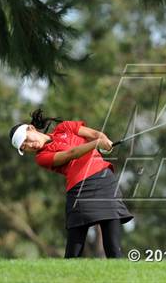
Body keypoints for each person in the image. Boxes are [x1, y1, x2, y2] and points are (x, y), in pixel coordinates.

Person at [8, 109, 134, 258]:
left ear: (32, 128)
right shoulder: (42, 157)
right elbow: (71, 154)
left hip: (104, 179)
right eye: (25, 147)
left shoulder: (64, 127)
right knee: (73, 251)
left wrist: (104, 142)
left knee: (113, 246)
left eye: (27, 139)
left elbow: (95, 134)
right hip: (79, 190)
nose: (30, 145)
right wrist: (96, 144)